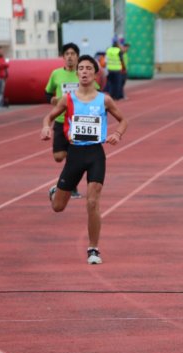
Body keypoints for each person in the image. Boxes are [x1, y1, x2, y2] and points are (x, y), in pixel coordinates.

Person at [40, 55, 127, 265]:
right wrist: (46, 127)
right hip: (75, 154)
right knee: (58, 207)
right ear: (77, 73)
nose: (85, 71)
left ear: (95, 73)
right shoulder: (68, 99)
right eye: (81, 68)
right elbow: (49, 117)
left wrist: (118, 134)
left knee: (92, 201)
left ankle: (93, 248)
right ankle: (56, 191)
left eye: (89, 68)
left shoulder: (104, 99)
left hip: (96, 154)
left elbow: (123, 120)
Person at [45, 42, 84, 199]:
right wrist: (53, 99)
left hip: (78, 120)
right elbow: (47, 93)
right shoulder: (56, 74)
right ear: (63, 57)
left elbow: (97, 90)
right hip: (61, 119)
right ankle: (69, 177)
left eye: (72, 54)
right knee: (59, 156)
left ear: (77, 57)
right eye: (67, 54)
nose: (69, 57)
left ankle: (69, 187)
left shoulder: (82, 73)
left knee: (74, 156)